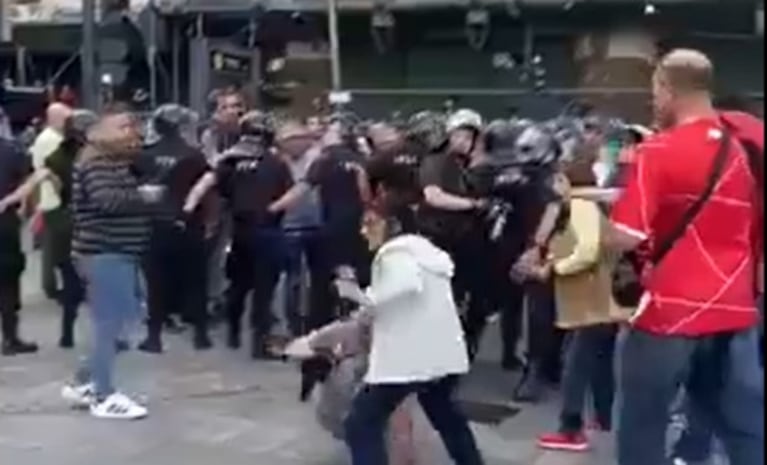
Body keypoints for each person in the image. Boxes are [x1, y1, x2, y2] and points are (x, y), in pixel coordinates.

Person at [608, 49, 764, 465]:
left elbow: (626, 235)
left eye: (655, 91)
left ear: (667, 87)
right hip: (735, 308)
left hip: (668, 311)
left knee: (642, 424)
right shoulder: (744, 151)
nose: (654, 102)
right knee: (743, 428)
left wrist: (598, 228)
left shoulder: (658, 151)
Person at [336, 174, 484, 465]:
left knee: (360, 424)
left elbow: (403, 285)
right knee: (446, 417)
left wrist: (358, 296)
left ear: (391, 225)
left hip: (407, 358)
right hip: (440, 354)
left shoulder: (395, 253)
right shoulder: (427, 252)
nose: (365, 231)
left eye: (370, 224)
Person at [61, 106, 160, 420]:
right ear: (103, 131)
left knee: (132, 315)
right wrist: (144, 197)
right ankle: (103, 395)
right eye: (125, 127)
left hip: (118, 253)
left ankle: (86, 381)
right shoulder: (97, 162)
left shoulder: (112, 161)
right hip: (105, 253)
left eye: (134, 126)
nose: (134, 133)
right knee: (112, 324)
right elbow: (107, 201)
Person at [535, 143, 631, 452]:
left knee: (575, 365)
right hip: (605, 301)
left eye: (558, 179)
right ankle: (602, 417)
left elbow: (587, 250)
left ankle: (570, 428)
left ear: (567, 180)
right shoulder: (596, 204)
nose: (554, 185)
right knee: (600, 362)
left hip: (590, 300)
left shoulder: (580, 207)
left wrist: (556, 267)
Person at [185, 111, 293, 359]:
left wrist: (188, 209)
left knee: (239, 284)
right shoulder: (275, 162)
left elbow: (204, 184)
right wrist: (276, 208)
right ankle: (259, 343)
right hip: (268, 229)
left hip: (239, 231)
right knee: (264, 289)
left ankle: (233, 329)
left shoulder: (230, 160)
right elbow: (290, 193)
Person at [0, 109, 98, 348]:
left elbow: (38, 178)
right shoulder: (96, 155)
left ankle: (67, 334)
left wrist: (13, 200)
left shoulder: (58, 154)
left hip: (64, 219)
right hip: (91, 221)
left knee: (70, 276)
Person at [136, 104, 212, 353]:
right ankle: (201, 335)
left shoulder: (144, 155)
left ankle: (154, 337)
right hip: (190, 225)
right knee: (196, 281)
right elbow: (207, 191)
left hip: (155, 225)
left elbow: (135, 188)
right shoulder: (194, 155)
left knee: (156, 284)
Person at [275, 120, 323, 337]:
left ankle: (315, 320)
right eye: (288, 140)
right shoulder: (275, 161)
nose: (294, 144)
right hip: (288, 225)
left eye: (299, 139)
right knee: (292, 278)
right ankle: (293, 324)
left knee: (318, 275)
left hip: (317, 223)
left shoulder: (318, 158)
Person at [0, 111, 39, 356]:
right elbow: (33, 177)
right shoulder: (11, 151)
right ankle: (10, 338)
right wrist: (16, 200)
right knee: (7, 281)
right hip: (4, 223)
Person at [30, 102, 73, 300]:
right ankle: (53, 287)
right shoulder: (51, 140)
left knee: (52, 246)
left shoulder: (47, 138)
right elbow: (55, 172)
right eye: (67, 118)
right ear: (56, 118)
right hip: (55, 200)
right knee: (55, 247)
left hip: (50, 199)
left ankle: (52, 285)